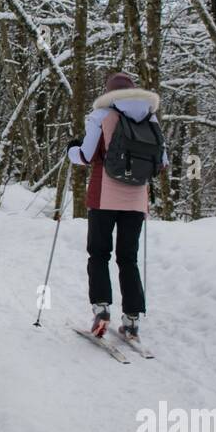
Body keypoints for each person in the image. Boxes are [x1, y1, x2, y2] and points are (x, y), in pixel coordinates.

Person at [66, 71, 166, 341]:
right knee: (128, 258)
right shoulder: (151, 119)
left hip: (103, 197)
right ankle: (132, 320)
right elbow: (162, 162)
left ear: (108, 93)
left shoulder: (101, 117)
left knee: (99, 254)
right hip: (136, 200)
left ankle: (101, 310)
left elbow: (86, 156)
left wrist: (71, 151)